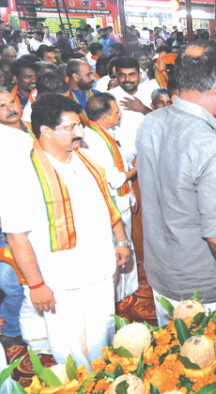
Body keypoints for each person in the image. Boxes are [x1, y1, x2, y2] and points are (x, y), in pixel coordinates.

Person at [4, 93, 130, 366]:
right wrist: (37, 285)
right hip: (60, 280)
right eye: (70, 127)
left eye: (79, 125)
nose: (80, 132)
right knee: (70, 347)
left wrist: (121, 241)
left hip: (99, 269)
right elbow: (16, 236)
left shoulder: (85, 158)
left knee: (102, 336)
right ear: (45, 131)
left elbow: (107, 202)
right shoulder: (23, 173)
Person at [136, 41, 216, 326]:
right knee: (201, 363)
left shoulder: (151, 123)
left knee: (170, 360)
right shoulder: (212, 150)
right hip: (200, 290)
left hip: (160, 274)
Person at [83, 93, 138, 302]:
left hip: (121, 199)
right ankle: (120, 297)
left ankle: (126, 292)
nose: (120, 114)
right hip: (113, 204)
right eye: (116, 112)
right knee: (120, 247)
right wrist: (136, 171)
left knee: (126, 245)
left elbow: (120, 164)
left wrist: (131, 192)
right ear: (105, 117)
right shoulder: (94, 141)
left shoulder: (102, 132)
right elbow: (115, 179)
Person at [0, 87, 34, 350]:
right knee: (11, 282)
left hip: (37, 213)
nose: (10, 108)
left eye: (11, 101)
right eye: (1, 106)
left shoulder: (34, 129)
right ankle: (12, 328)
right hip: (7, 222)